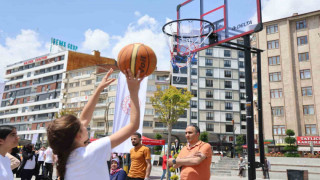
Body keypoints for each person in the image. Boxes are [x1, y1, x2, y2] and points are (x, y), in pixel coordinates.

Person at [47, 68, 143, 180]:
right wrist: (133, 91)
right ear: (78, 136)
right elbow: (133, 125)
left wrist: (99, 89)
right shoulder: (92, 151)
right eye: (82, 125)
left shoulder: (65, 158)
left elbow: (83, 120)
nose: (84, 123)